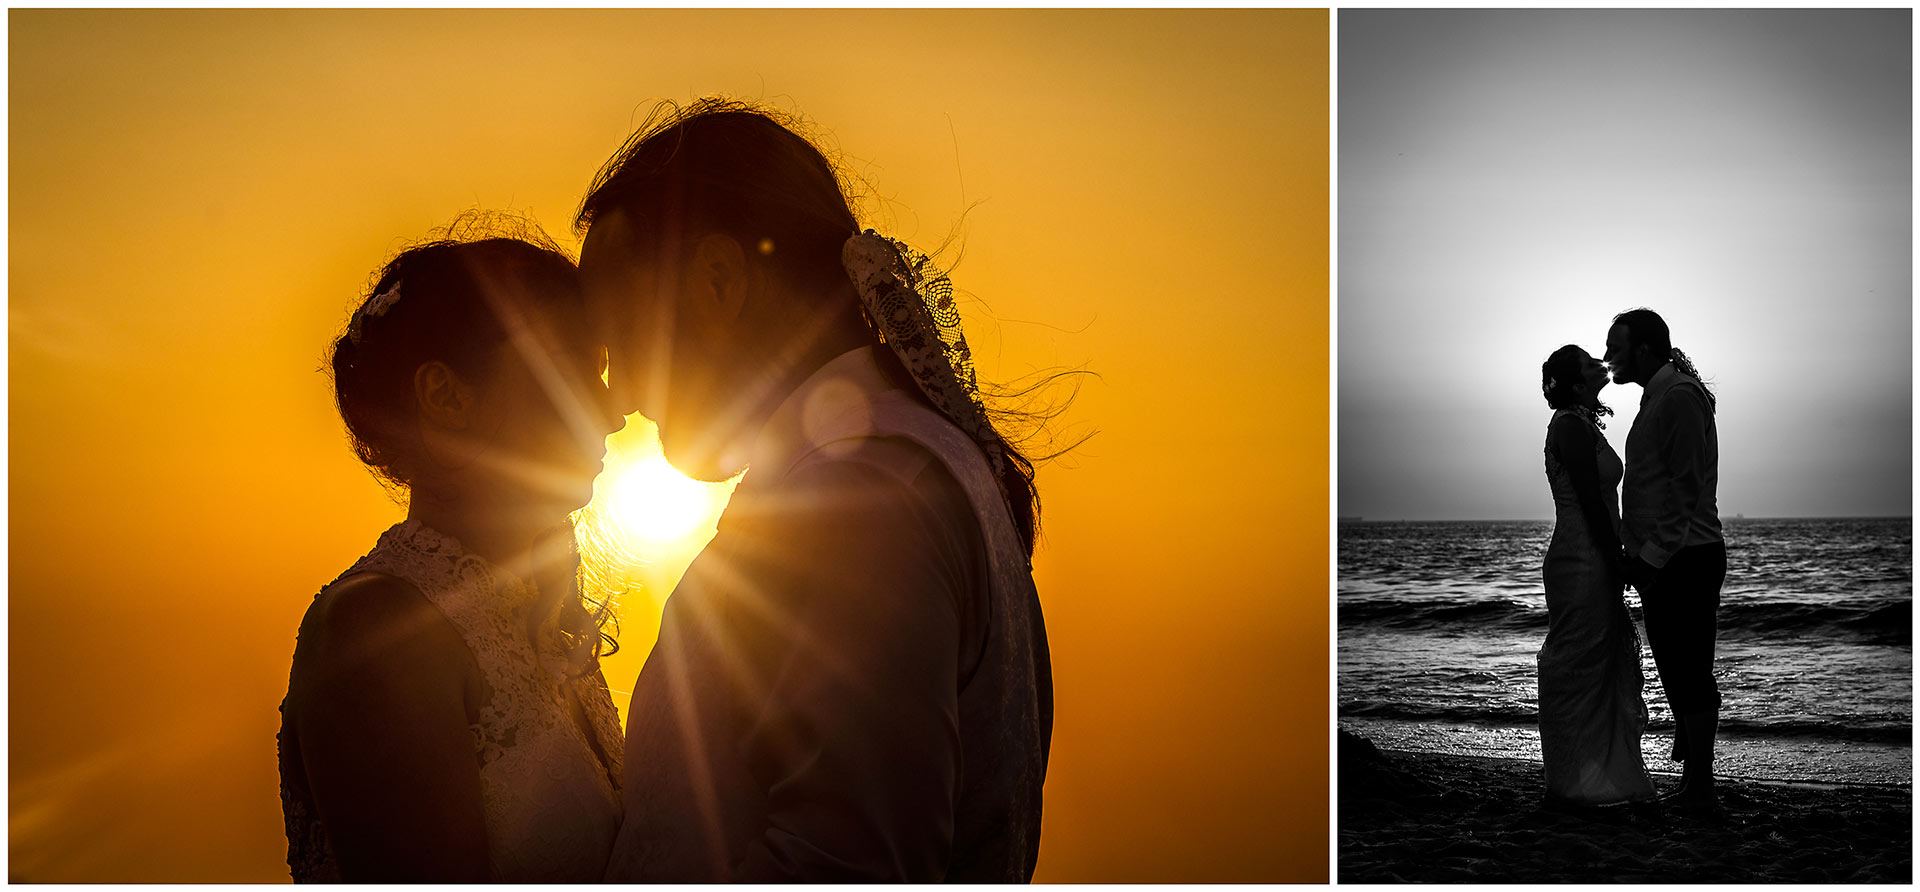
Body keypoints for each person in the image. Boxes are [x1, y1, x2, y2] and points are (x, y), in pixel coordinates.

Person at [577, 99, 1053, 882]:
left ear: (721, 281)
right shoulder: (911, 464)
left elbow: (849, 863)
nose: (621, 392)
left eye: (623, 338)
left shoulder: (853, 503)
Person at [277, 227, 629, 881]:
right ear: (445, 396)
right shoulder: (378, 632)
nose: (612, 412)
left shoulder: (538, 616)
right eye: (573, 371)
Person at [1604, 308, 1724, 813]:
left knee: (1686, 672)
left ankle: (1700, 787)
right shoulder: (1658, 398)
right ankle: (1696, 780)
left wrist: (1650, 560)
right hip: (1673, 556)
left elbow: (1684, 490)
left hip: (1685, 557)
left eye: (1617, 346)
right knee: (1681, 671)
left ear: (1645, 350)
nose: (1608, 356)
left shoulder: (1676, 398)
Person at [1536, 345, 1657, 807]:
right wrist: (1617, 558)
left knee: (1598, 663)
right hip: (1582, 558)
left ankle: (1598, 778)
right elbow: (1589, 500)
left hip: (1595, 553)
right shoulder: (1567, 425)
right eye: (1589, 364)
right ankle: (1569, 780)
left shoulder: (1582, 423)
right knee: (1577, 663)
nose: (1599, 366)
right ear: (1575, 381)